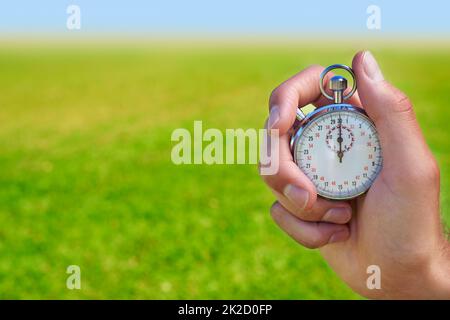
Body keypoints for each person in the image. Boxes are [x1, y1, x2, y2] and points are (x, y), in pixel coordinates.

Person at [260, 51, 450, 299]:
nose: (340, 154)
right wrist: (414, 281)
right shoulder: (325, 131)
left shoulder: (367, 129)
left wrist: (418, 273)